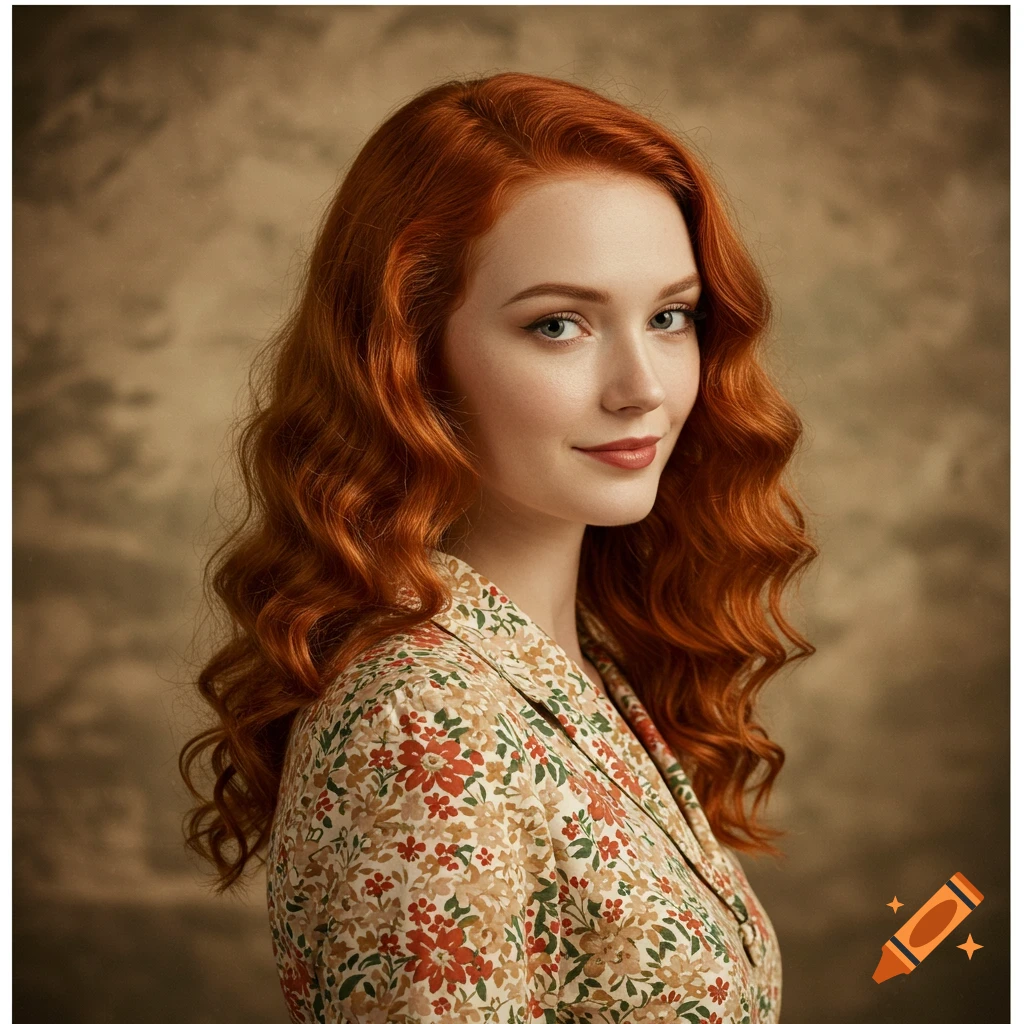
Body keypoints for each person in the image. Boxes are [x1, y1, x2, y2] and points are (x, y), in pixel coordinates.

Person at [179, 71, 818, 1024]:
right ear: (408, 357)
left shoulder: (566, 658)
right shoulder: (424, 724)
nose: (641, 385)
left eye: (670, 316)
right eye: (559, 324)